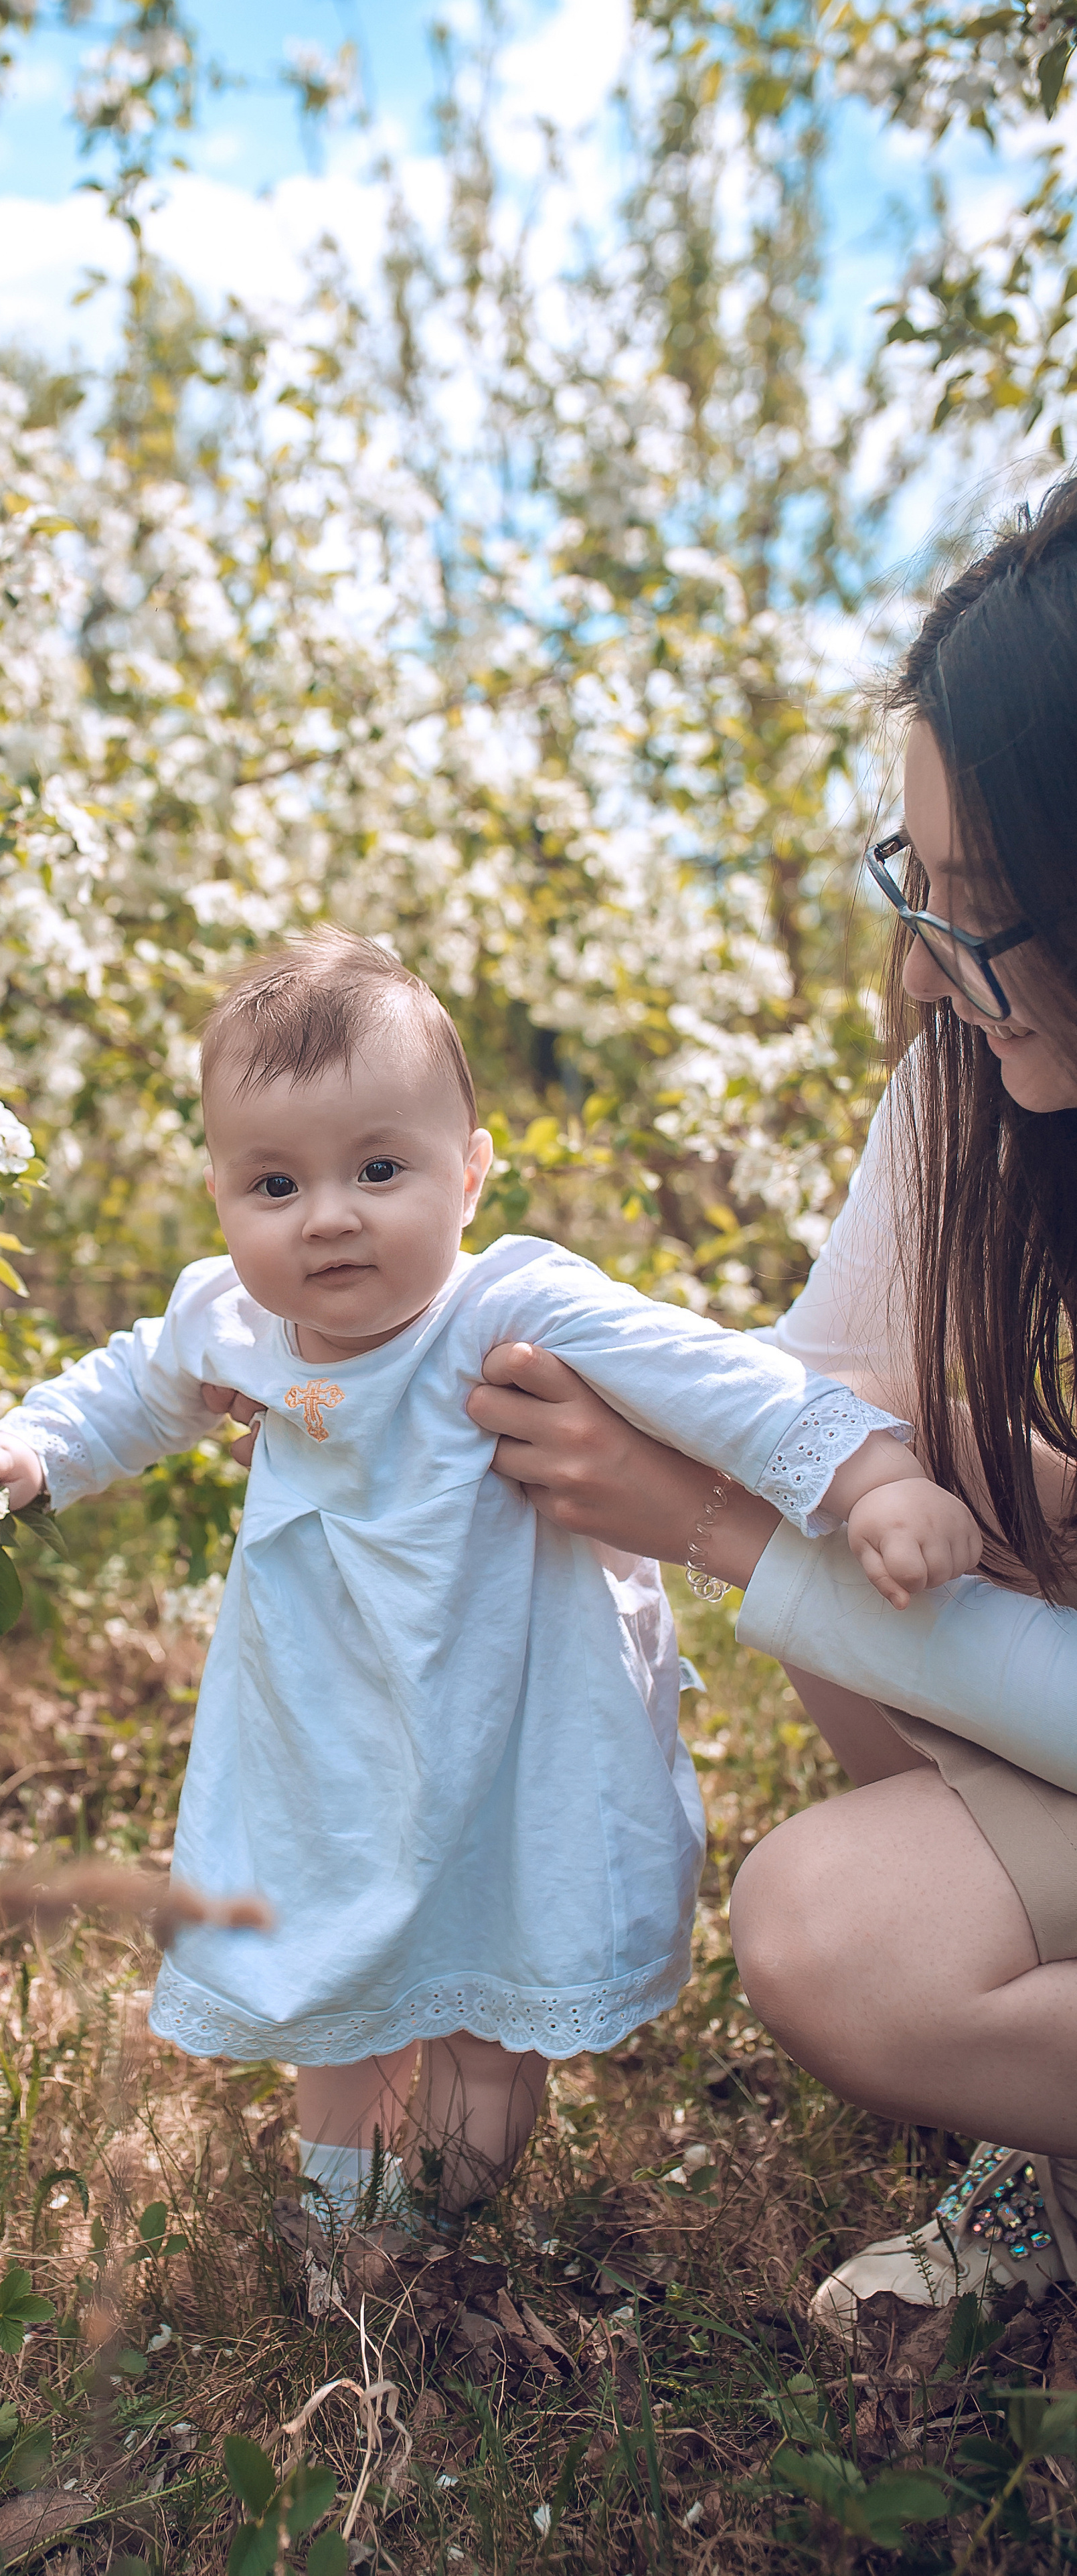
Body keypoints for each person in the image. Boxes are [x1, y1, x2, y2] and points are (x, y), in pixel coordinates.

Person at [0, 929, 977, 2226]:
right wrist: (34, 1445)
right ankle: (347, 2242)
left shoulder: (508, 1306)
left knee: (488, 2009)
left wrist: (869, 1480)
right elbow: (129, 1388)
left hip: (509, 1728)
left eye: (378, 1168)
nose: (328, 1214)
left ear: (468, 1172)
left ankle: (439, 2219)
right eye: (274, 1182)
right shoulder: (232, 1322)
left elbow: (727, 1384)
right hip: (322, 1735)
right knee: (334, 2001)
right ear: (219, 1195)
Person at [463, 473, 1077, 2318]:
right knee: (887, 1508)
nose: (920, 969)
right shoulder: (979, 1081)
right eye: (913, 885)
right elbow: (808, 1399)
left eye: (977, 911)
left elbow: (749, 1479)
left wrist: (720, 1525)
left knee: (838, 1929)